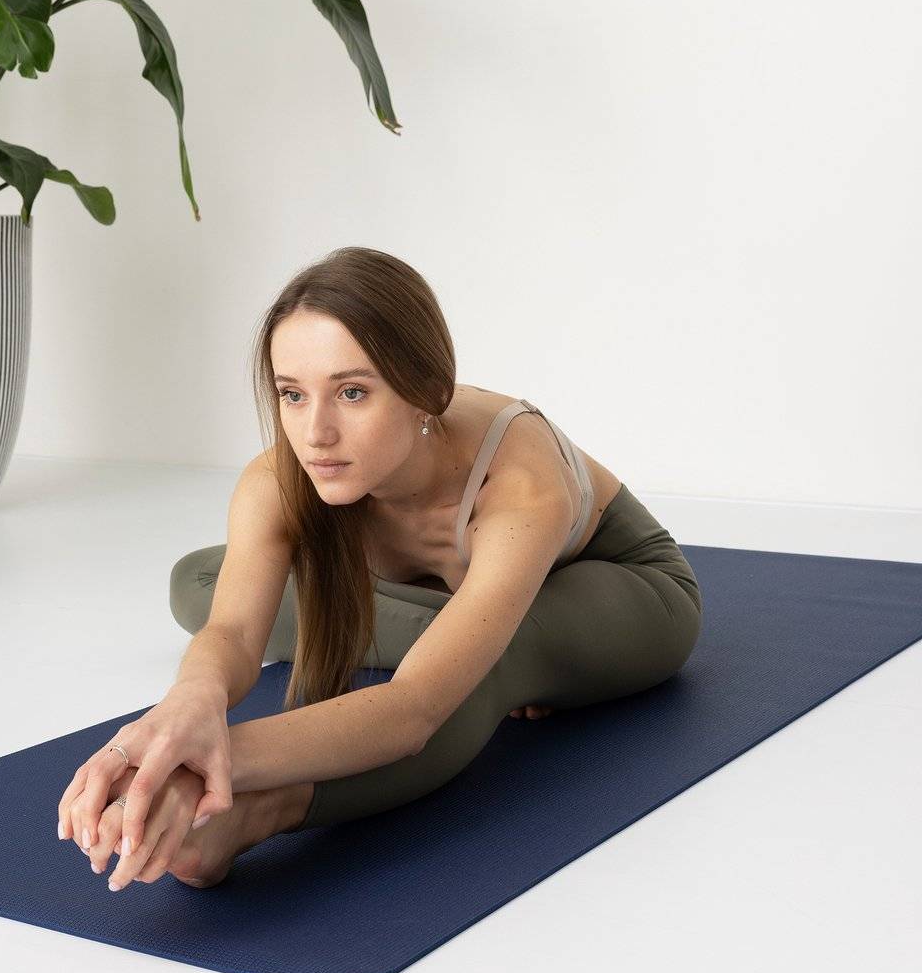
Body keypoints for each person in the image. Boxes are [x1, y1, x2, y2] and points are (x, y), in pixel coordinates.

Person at [57, 246, 703, 890]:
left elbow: (412, 709)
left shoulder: (520, 488)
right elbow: (228, 634)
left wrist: (197, 765)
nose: (316, 434)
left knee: (481, 671)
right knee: (200, 579)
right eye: (292, 394)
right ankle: (462, 628)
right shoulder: (283, 476)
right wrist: (186, 707)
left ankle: (260, 813)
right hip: (452, 589)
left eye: (353, 392)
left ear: (425, 393)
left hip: (620, 583)